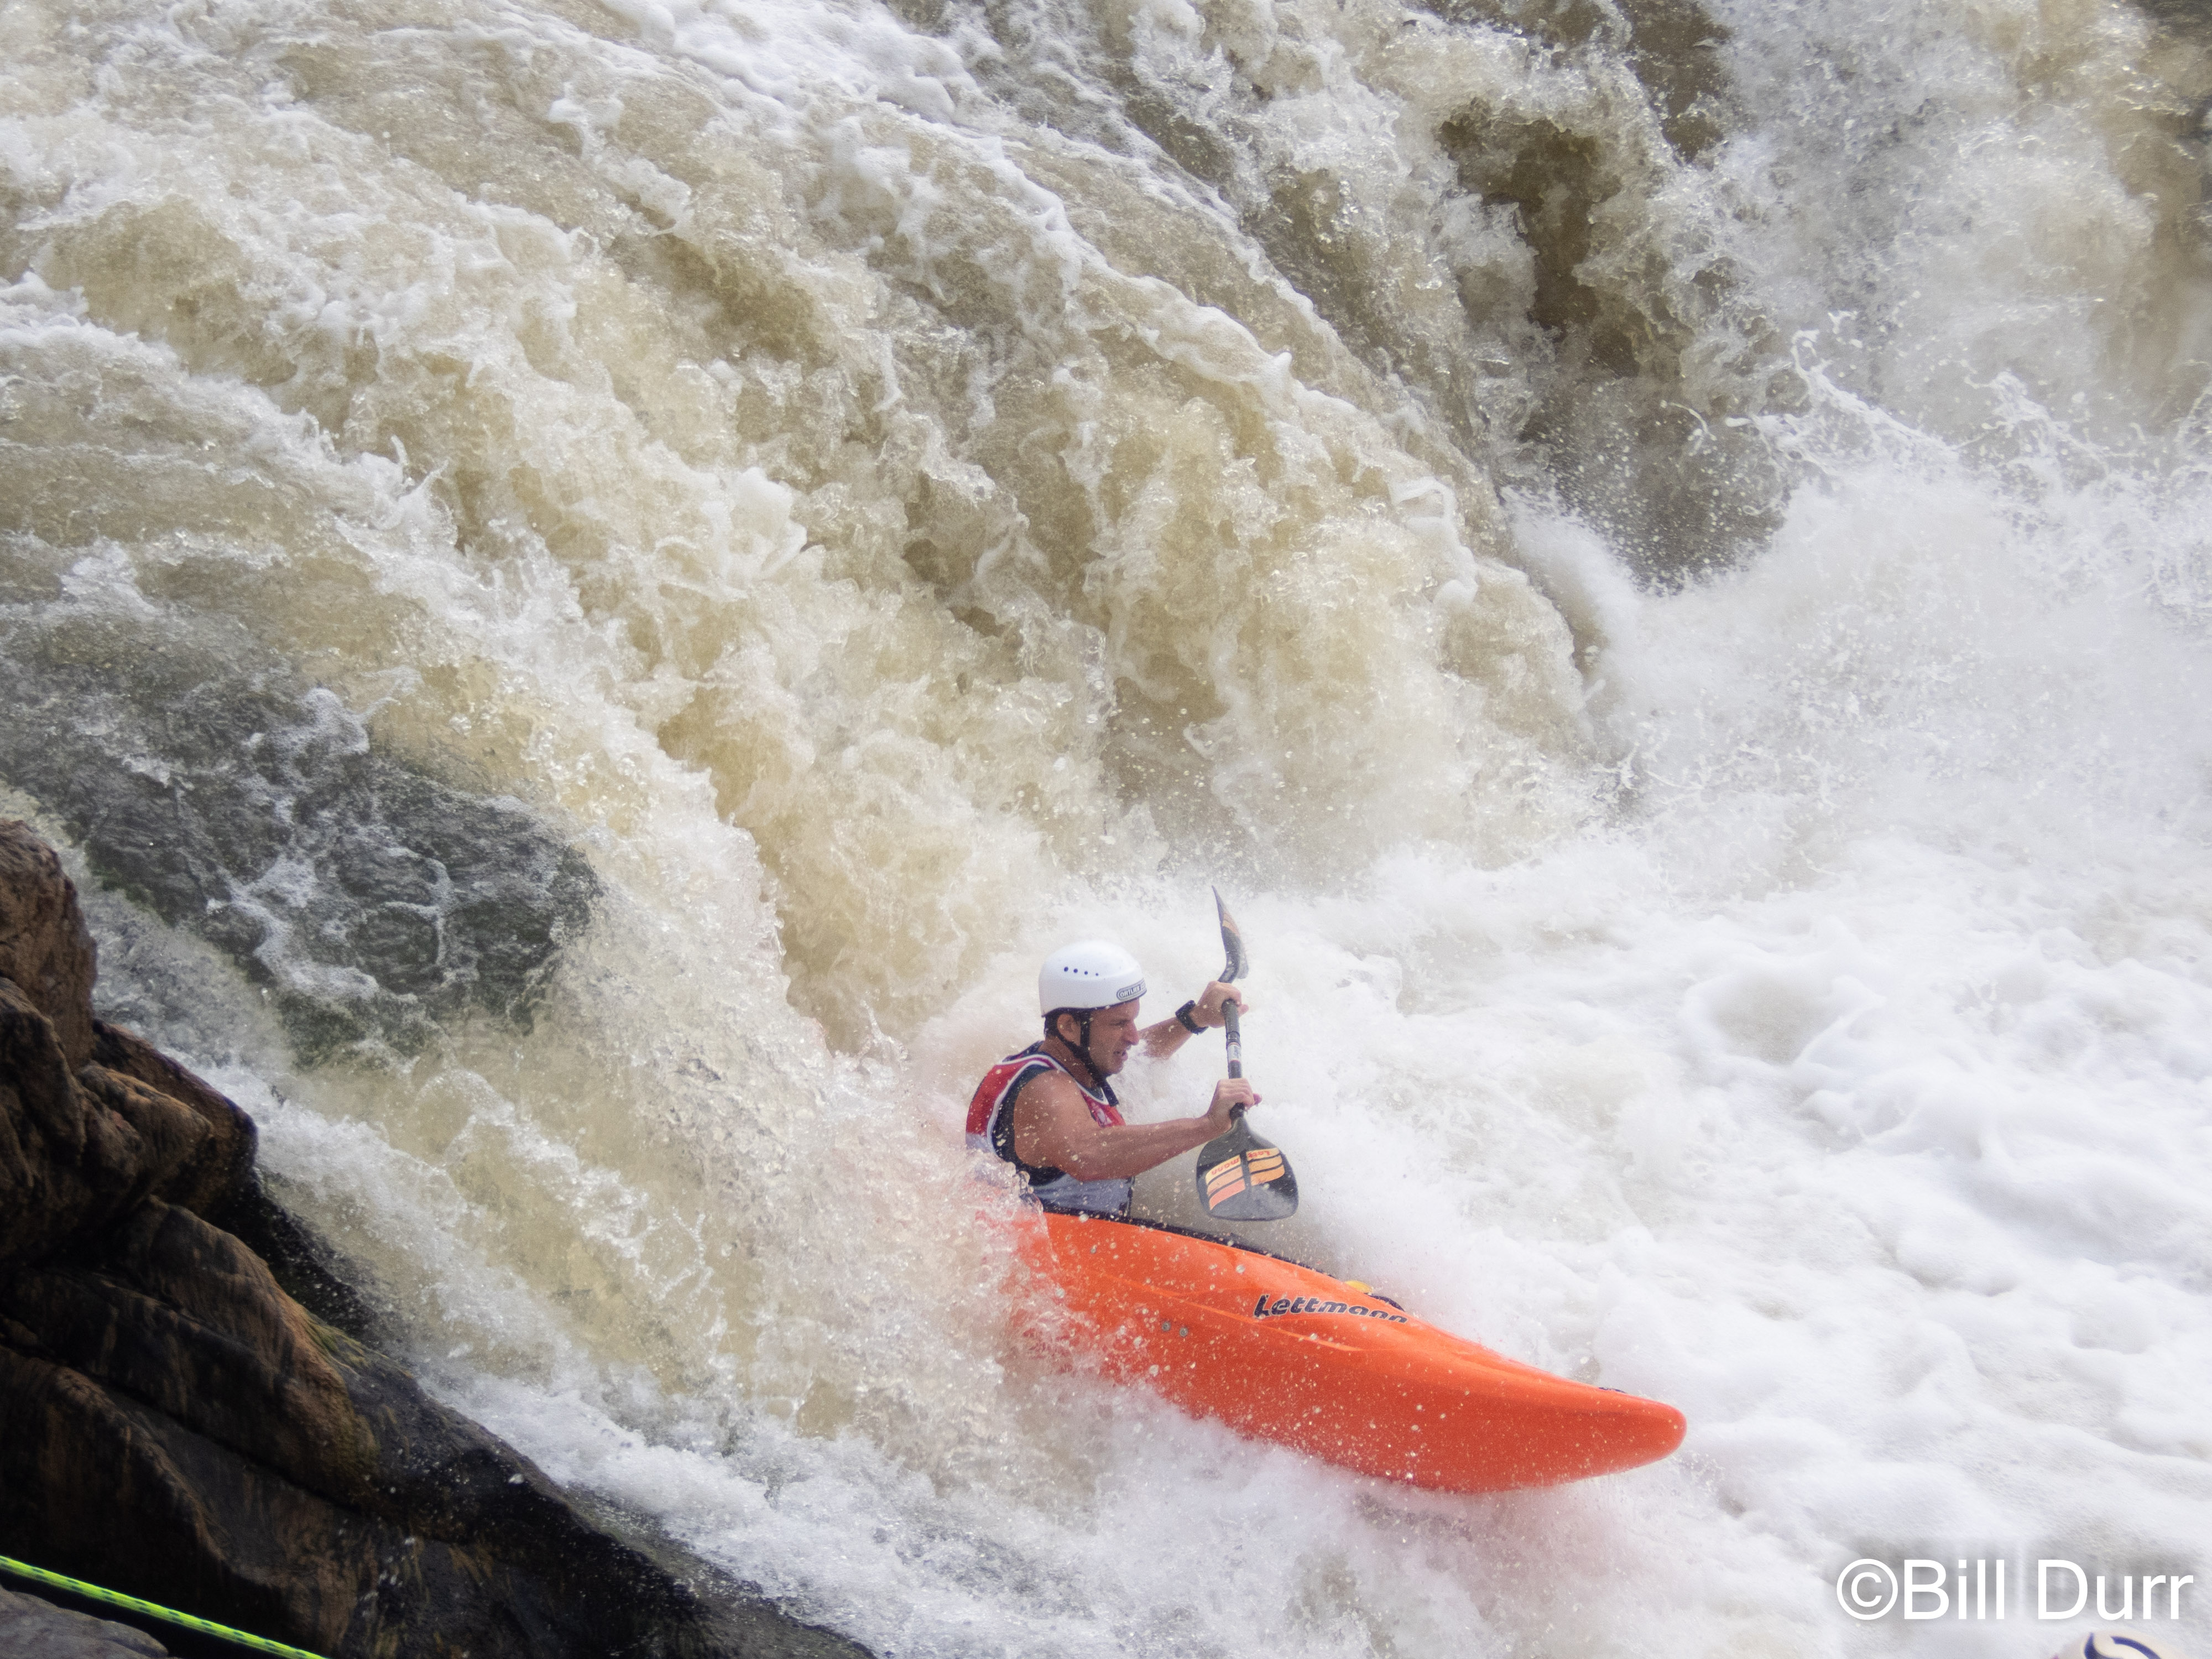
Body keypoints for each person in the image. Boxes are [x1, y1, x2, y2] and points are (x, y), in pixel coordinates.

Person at [966, 940, 1258, 1216]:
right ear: (1069, 1026)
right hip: (1038, 1244)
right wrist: (1207, 1125)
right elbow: (1088, 1155)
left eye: (1133, 1020)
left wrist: (1196, 1018)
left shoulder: (1076, 1058)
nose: (1133, 1037)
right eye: (1119, 1023)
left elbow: (1142, 1054)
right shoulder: (1045, 1088)